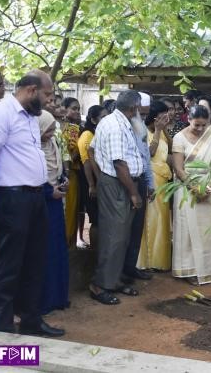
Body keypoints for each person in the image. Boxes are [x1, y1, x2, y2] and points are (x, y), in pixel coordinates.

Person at [0, 71, 64, 336]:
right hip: (11, 198)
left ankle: (31, 322)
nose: (49, 101)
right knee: (8, 266)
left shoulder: (30, 117)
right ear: (32, 90)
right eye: (47, 95)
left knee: (35, 263)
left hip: (35, 197)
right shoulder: (0, 114)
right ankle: (2, 330)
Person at [90, 90, 143, 305]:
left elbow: (93, 149)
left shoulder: (118, 122)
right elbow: (119, 164)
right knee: (114, 236)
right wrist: (133, 193)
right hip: (118, 185)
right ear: (134, 107)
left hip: (119, 183)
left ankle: (113, 279)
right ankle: (100, 285)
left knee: (122, 237)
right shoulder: (115, 126)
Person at [172, 105, 211, 285]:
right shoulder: (179, 138)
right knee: (187, 230)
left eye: (204, 125)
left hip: (209, 185)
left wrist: (209, 185)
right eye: (196, 125)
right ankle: (189, 270)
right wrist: (195, 187)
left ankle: (206, 269)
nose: (200, 129)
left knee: (207, 230)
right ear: (188, 119)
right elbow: (178, 169)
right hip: (186, 188)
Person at [38, 110, 70, 315]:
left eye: (52, 130)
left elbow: (58, 169)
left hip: (56, 203)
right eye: (47, 131)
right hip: (41, 204)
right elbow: (32, 180)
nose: (50, 134)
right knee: (45, 251)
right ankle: (45, 300)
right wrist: (49, 192)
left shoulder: (53, 144)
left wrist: (63, 180)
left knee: (58, 248)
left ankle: (59, 297)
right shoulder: (32, 149)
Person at [122, 92, 156, 283]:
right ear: (133, 110)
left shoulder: (140, 128)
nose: (143, 118)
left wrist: (150, 183)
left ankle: (130, 268)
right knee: (122, 231)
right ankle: (120, 272)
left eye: (145, 114)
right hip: (122, 183)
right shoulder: (117, 126)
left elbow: (146, 159)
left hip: (140, 181)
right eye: (140, 114)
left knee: (137, 228)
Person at [137, 101, 173, 271]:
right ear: (154, 117)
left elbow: (172, 148)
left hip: (163, 181)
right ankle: (149, 261)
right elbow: (150, 152)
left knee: (163, 219)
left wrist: (164, 130)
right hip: (151, 180)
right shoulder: (143, 132)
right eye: (163, 115)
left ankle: (160, 261)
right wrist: (158, 131)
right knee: (152, 219)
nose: (167, 117)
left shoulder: (162, 132)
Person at [77, 105, 108, 249]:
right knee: (96, 219)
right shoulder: (87, 135)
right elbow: (87, 162)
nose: (106, 119)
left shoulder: (96, 133)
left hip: (97, 178)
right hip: (91, 181)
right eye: (103, 117)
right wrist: (92, 185)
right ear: (94, 120)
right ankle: (95, 252)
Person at [61, 97, 84, 248]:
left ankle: (69, 244)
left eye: (78, 109)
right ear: (64, 108)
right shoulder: (60, 127)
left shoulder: (75, 128)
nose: (77, 111)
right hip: (61, 173)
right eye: (74, 108)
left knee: (71, 210)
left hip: (72, 174)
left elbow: (75, 153)